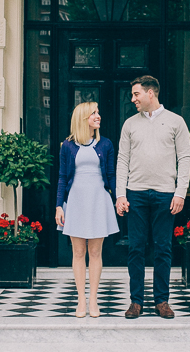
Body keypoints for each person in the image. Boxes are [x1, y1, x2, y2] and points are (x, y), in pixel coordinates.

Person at [116, 75, 190, 319]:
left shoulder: (176, 122)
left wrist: (180, 192)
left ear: (151, 93)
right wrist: (120, 194)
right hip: (136, 194)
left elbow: (185, 158)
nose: (132, 99)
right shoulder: (129, 124)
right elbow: (122, 160)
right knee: (135, 249)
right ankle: (136, 301)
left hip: (165, 195)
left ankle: (162, 301)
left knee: (163, 249)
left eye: (136, 94)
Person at [55, 101, 119, 318]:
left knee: (95, 251)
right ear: (83, 118)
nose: (98, 116)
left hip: (98, 200)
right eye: (93, 113)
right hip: (76, 201)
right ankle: (80, 299)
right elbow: (63, 177)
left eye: (98, 112)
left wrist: (119, 198)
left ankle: (93, 299)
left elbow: (110, 175)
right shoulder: (67, 146)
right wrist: (59, 206)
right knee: (78, 251)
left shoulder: (106, 144)